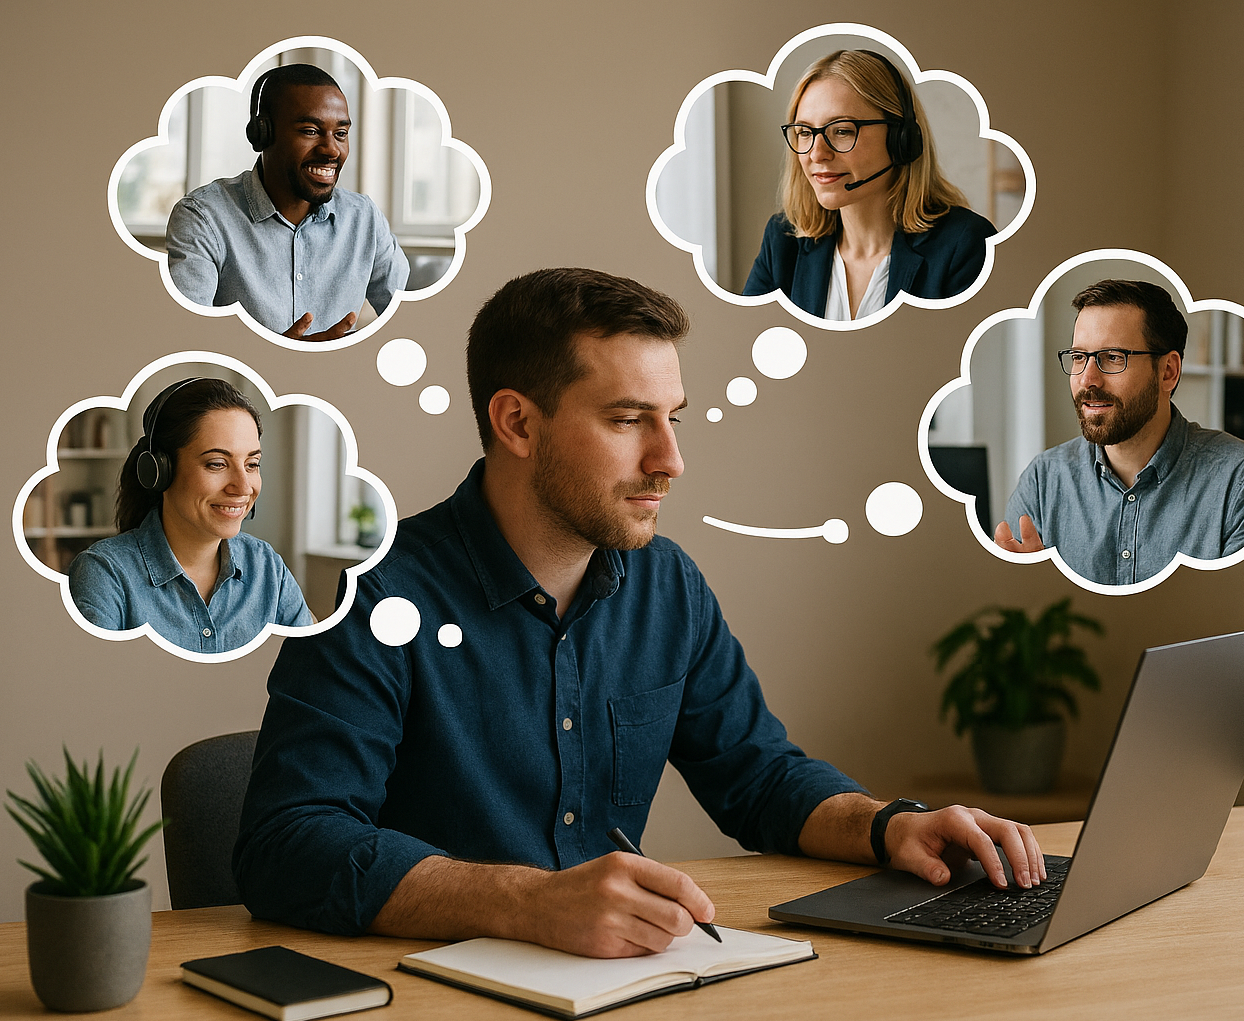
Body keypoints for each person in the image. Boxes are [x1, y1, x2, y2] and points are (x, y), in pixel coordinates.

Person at [235, 268, 1044, 957]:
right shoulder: (368, 598)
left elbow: (760, 777)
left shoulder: (667, 585)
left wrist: (891, 826)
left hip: (622, 984)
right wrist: (528, 903)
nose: (671, 460)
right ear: (516, 422)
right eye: (628, 421)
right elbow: (286, 847)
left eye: (673, 419)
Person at [994, 280, 1244, 587]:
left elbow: (1242, 623)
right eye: (1079, 357)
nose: (1088, 379)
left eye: (1113, 357)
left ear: (1168, 371)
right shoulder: (1043, 480)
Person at [742, 50, 996, 320]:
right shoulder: (782, 242)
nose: (816, 154)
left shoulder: (966, 245)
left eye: (841, 131)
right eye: (805, 133)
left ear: (901, 140)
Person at [165, 64, 409, 341]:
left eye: (340, 134)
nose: (331, 149)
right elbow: (186, 339)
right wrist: (279, 356)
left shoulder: (364, 217)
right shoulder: (203, 217)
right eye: (310, 131)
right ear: (263, 134)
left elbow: (412, 320)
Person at [69, 378, 311, 653]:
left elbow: (310, 676)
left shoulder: (267, 567)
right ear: (159, 471)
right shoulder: (105, 574)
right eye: (217, 464)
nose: (243, 487)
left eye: (252, 464)